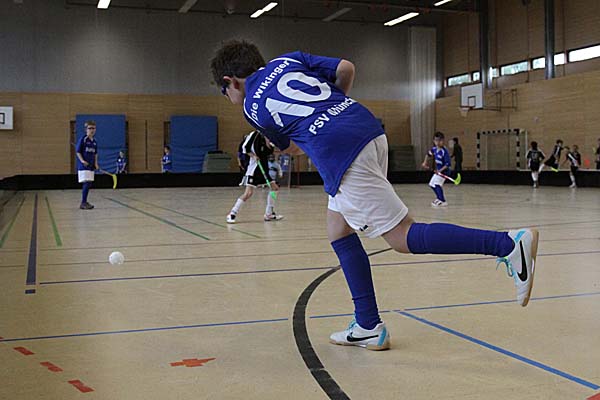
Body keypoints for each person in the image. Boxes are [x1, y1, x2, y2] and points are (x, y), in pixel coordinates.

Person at [211, 40, 539, 351]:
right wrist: (332, 111)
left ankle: (507, 244)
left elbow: (290, 147)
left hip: (340, 152)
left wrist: (311, 130)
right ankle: (367, 324)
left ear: (231, 82)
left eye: (225, 93)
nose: (229, 98)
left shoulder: (251, 107)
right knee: (338, 229)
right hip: (366, 127)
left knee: (401, 236)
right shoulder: (288, 59)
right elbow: (346, 68)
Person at [226, 130, 283, 223]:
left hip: (264, 169)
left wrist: (268, 142)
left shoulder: (269, 136)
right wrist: (253, 155)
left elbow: (269, 152)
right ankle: (232, 213)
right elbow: (245, 148)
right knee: (248, 193)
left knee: (274, 188)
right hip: (254, 169)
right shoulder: (254, 135)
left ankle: (269, 213)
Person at [422, 132, 452, 207]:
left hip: (444, 171)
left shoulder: (444, 151)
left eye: (440, 140)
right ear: (434, 141)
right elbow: (428, 154)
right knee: (431, 184)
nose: (438, 142)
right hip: (438, 171)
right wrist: (425, 162)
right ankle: (439, 198)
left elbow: (447, 164)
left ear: (443, 141)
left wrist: (440, 171)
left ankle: (442, 200)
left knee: (437, 184)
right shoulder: (434, 149)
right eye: (436, 140)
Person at [76, 120, 99, 210]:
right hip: (84, 166)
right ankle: (83, 202)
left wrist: (96, 163)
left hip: (91, 166)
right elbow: (78, 152)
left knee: (89, 183)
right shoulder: (83, 139)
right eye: (90, 128)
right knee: (86, 183)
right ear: (86, 129)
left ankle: (85, 201)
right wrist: (82, 161)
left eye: (93, 128)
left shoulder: (95, 141)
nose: (92, 130)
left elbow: (95, 153)